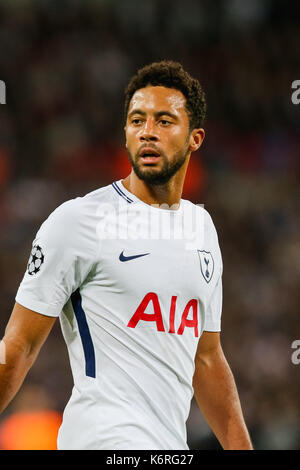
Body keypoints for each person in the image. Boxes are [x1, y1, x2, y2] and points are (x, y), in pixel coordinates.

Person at [0, 61, 253, 450]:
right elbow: (19, 345)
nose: (147, 132)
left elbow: (207, 357)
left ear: (195, 138)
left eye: (165, 121)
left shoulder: (201, 228)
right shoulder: (80, 221)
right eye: (138, 120)